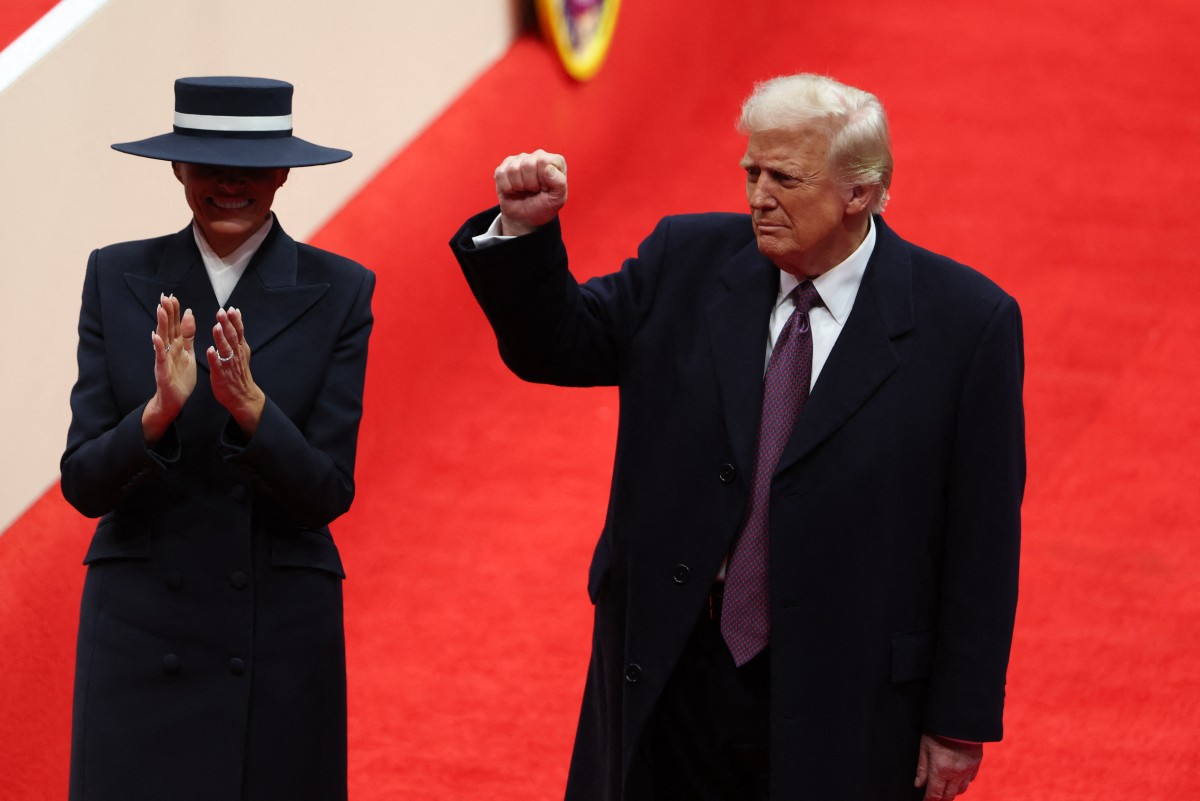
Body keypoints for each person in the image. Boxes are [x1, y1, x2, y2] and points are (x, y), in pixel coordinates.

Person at [449, 73, 1024, 801]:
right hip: (676, 661)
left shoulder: (966, 323)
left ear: (861, 191)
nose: (758, 197)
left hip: (845, 688)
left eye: (785, 178)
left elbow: (982, 539)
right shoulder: (685, 260)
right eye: (752, 172)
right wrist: (524, 236)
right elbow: (559, 347)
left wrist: (958, 720)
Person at [61, 76, 375, 801]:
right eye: (210, 166)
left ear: (284, 173)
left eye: (253, 169)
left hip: (276, 633)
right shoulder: (115, 274)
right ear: (178, 167)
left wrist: (254, 410)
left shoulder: (342, 290)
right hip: (141, 630)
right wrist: (156, 414)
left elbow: (327, 493)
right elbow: (83, 483)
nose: (231, 185)